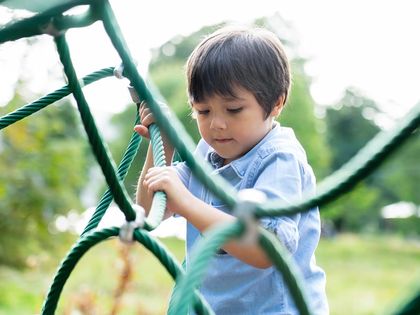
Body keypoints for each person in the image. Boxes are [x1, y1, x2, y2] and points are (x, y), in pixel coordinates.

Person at [134, 25, 329, 315]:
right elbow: (151, 209)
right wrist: (162, 149)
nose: (217, 124)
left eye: (234, 109)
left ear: (276, 103)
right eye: (203, 111)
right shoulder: (208, 152)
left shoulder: (280, 160)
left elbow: (265, 250)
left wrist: (187, 204)